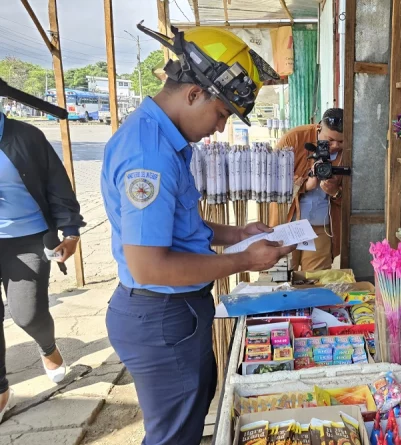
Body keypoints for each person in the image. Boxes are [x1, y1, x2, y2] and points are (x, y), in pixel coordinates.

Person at [101, 25, 292, 444]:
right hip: (161, 314)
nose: (221, 129)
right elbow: (150, 263)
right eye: (221, 114)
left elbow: (181, 230)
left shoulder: (165, 142)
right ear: (193, 94)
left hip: (173, 311)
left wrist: (238, 232)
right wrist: (245, 259)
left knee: (191, 416)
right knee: (175, 436)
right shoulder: (148, 155)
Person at [0, 108, 85, 420]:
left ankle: (47, 347)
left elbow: (56, 184)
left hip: (26, 238)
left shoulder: (26, 136)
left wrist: (72, 231)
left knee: (27, 314)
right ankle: (1, 389)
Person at [274, 108, 346, 271]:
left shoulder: (349, 151)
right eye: (330, 140)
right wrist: (305, 185)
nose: (335, 146)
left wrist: (335, 191)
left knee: (316, 280)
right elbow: (272, 180)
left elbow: (356, 196)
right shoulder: (295, 138)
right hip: (287, 225)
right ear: (319, 128)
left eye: (341, 142)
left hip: (321, 228)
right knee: (281, 277)